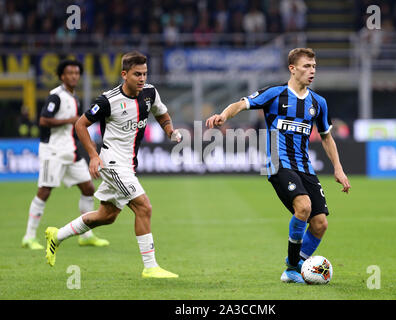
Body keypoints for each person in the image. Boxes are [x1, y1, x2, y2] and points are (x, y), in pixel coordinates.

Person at [206, 48, 351, 284]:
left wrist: (338, 168)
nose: (312, 71)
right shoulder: (275, 94)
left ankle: (295, 264)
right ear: (292, 69)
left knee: (320, 223)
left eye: (314, 66)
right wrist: (224, 115)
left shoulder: (319, 102)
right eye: (306, 66)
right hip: (277, 162)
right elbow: (241, 104)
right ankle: (293, 269)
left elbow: (326, 136)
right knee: (303, 207)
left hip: (304, 166)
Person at [44, 51, 181, 279]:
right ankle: (150, 266)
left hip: (128, 164)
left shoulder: (150, 93)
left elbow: (162, 113)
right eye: (137, 74)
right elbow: (80, 125)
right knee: (143, 207)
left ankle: (56, 235)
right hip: (112, 163)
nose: (142, 78)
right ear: (124, 74)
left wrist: (169, 130)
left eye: (145, 74)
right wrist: (93, 155)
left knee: (106, 215)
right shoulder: (108, 100)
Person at [22, 59, 109, 250]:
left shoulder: (74, 97)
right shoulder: (56, 96)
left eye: (77, 73)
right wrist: (70, 119)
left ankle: (86, 235)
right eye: (70, 73)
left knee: (88, 189)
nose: (74, 76)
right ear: (62, 76)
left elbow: (73, 127)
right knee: (44, 191)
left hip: (70, 151)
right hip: (53, 151)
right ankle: (28, 237)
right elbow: (44, 120)